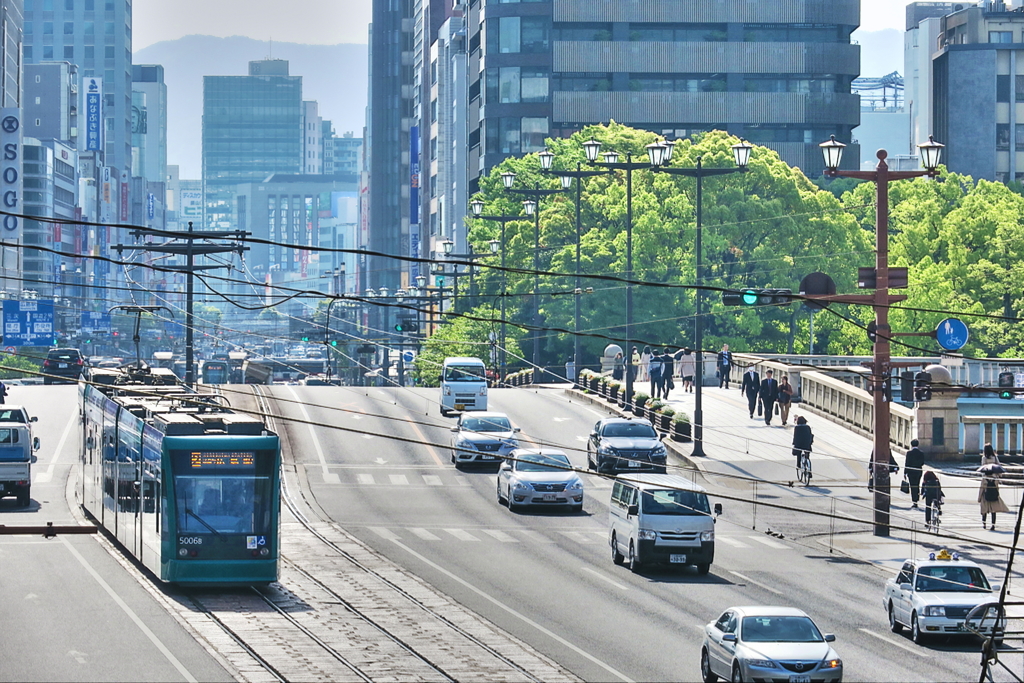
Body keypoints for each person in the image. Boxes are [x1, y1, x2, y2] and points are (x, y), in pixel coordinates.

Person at [979, 444, 1009, 530]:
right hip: (994, 481)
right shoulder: (995, 458)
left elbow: (983, 469)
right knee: (993, 507)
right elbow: (999, 467)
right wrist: (998, 476)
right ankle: (993, 525)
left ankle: (984, 524)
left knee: (984, 505)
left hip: (986, 480)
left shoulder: (984, 458)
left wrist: (978, 498)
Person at [904, 439, 926, 509]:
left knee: (912, 486)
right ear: (918, 445)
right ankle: (917, 498)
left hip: (911, 471)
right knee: (917, 484)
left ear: (911, 445)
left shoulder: (909, 453)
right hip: (918, 471)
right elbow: (922, 463)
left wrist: (905, 472)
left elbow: (907, 463)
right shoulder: (921, 453)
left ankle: (914, 501)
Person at [792, 416, 813, 481]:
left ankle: (798, 465)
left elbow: (795, 437)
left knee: (799, 454)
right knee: (807, 457)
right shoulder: (808, 427)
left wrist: (794, 443)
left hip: (799, 445)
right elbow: (810, 435)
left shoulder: (797, 428)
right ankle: (809, 471)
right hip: (807, 444)